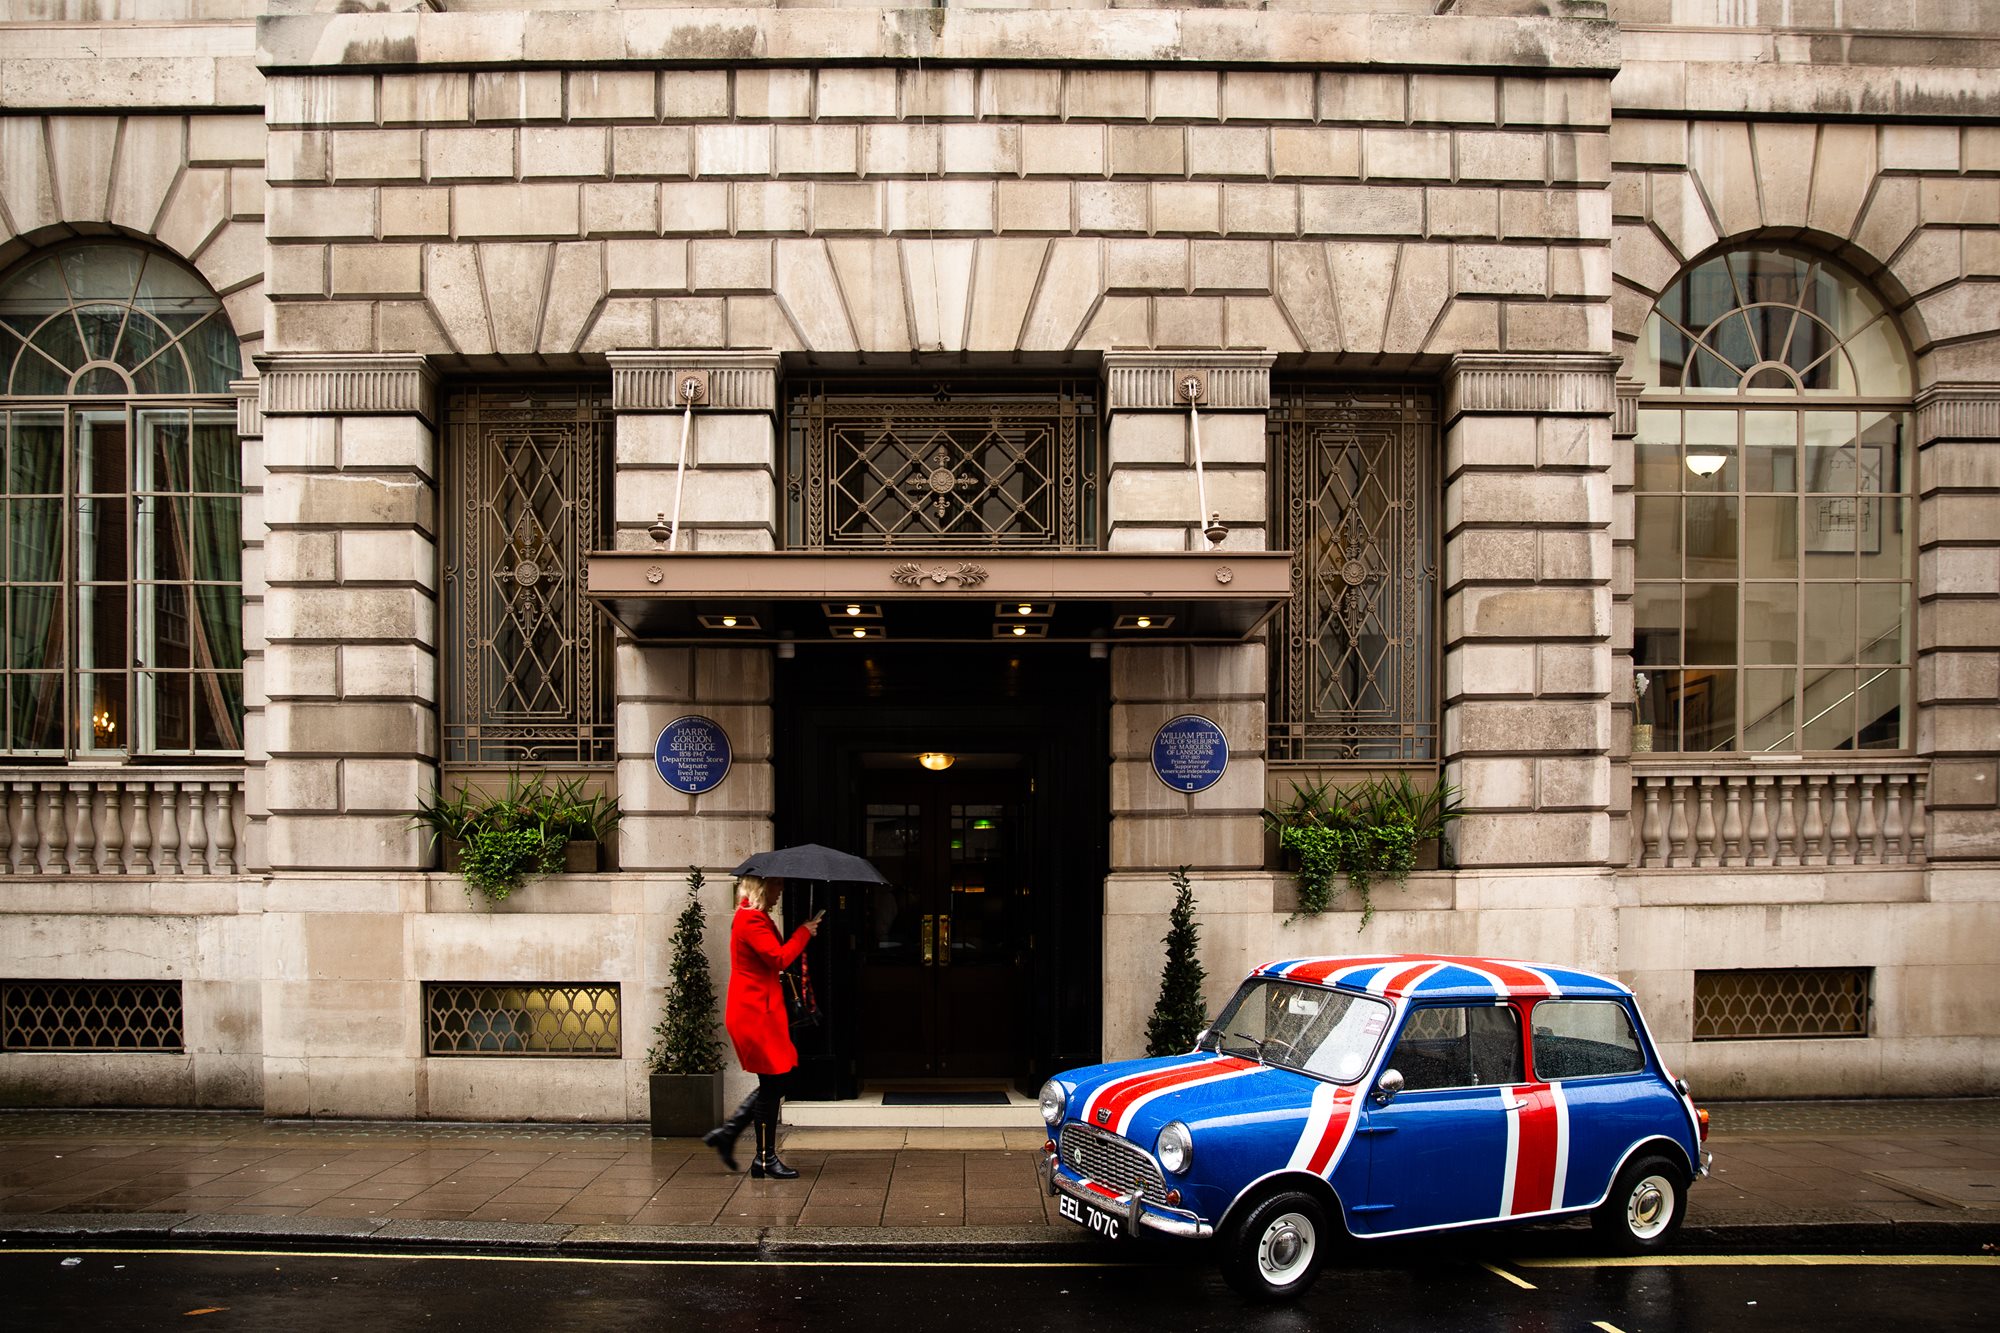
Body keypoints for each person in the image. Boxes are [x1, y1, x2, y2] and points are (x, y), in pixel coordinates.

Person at [702, 874, 824, 1179]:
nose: (781, 889)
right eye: (777, 884)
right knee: (774, 1082)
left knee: (780, 1079)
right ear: (762, 886)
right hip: (754, 1014)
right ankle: (763, 1157)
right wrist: (803, 933)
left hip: (763, 1012)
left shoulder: (757, 917)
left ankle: (733, 1136)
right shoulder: (751, 920)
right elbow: (778, 958)